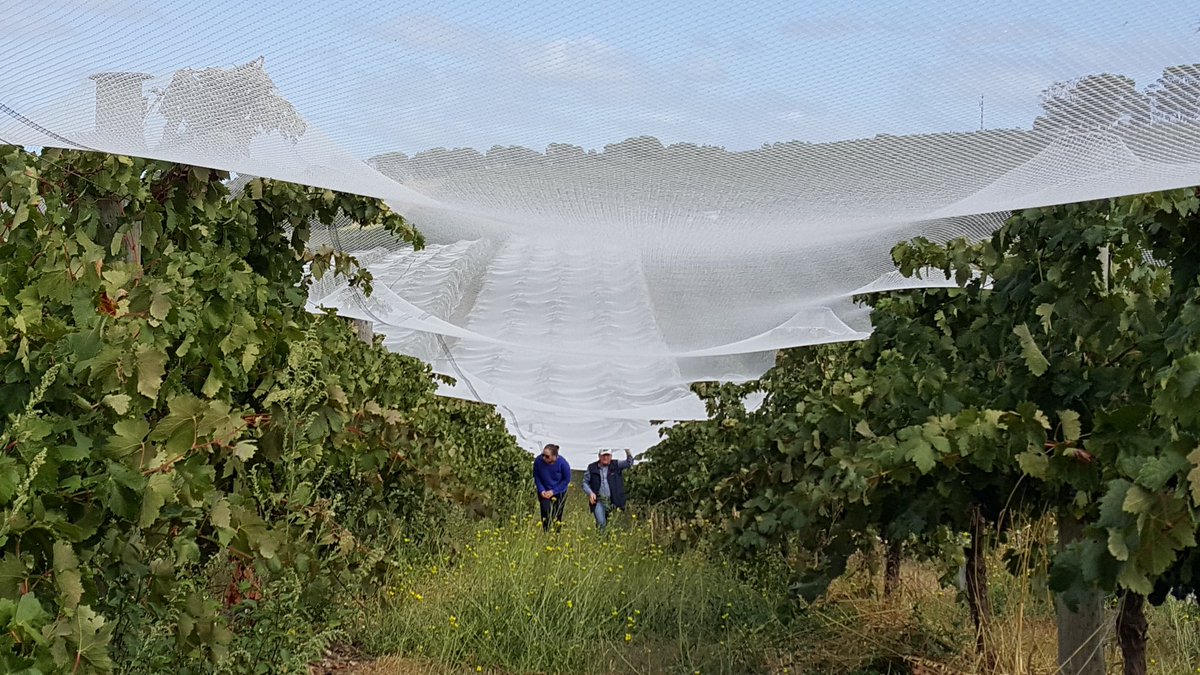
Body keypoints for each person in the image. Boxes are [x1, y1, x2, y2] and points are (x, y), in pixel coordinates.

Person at [582, 448, 634, 532]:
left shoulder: (616, 464)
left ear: (611, 456)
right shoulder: (592, 467)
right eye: (603, 455)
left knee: (611, 524)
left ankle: (606, 541)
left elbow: (629, 463)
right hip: (598, 500)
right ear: (599, 456)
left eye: (607, 455)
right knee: (601, 523)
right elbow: (585, 482)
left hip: (613, 500)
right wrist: (590, 493)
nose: (605, 458)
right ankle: (601, 541)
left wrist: (627, 451)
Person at [532, 443, 571, 531]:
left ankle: (556, 536)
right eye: (543, 455)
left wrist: (553, 491)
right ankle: (546, 533)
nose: (544, 458)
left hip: (559, 491)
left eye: (547, 456)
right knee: (545, 512)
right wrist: (541, 490)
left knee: (557, 515)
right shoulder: (538, 461)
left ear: (554, 456)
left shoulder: (563, 463)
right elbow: (536, 476)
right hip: (544, 491)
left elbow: (566, 480)